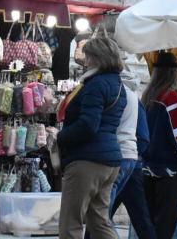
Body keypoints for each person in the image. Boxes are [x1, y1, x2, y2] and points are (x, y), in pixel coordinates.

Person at [56, 33, 126, 239]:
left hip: (87, 160)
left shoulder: (96, 85)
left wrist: (61, 138)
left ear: (97, 58)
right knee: (99, 220)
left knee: (71, 222)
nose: (84, 61)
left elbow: (88, 125)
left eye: (87, 57)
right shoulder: (118, 85)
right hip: (110, 159)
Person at [141, 52, 177, 239]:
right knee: (165, 227)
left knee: (150, 226)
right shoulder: (171, 99)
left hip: (147, 171)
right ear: (175, 74)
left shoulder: (148, 97)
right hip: (168, 174)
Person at [106, 68, 156, 239]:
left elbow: (143, 137)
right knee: (140, 217)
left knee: (100, 215)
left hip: (120, 161)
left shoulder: (116, 96)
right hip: (130, 162)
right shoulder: (134, 99)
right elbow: (143, 137)